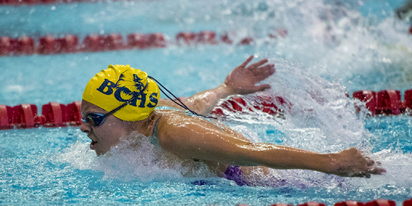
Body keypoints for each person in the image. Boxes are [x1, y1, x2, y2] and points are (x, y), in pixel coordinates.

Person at [80, 56, 384, 184]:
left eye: (93, 119)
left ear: (131, 117)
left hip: (275, 183)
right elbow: (191, 105)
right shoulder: (148, 118)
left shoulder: (176, 135)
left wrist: (330, 162)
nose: (84, 127)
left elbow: (251, 152)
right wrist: (226, 89)